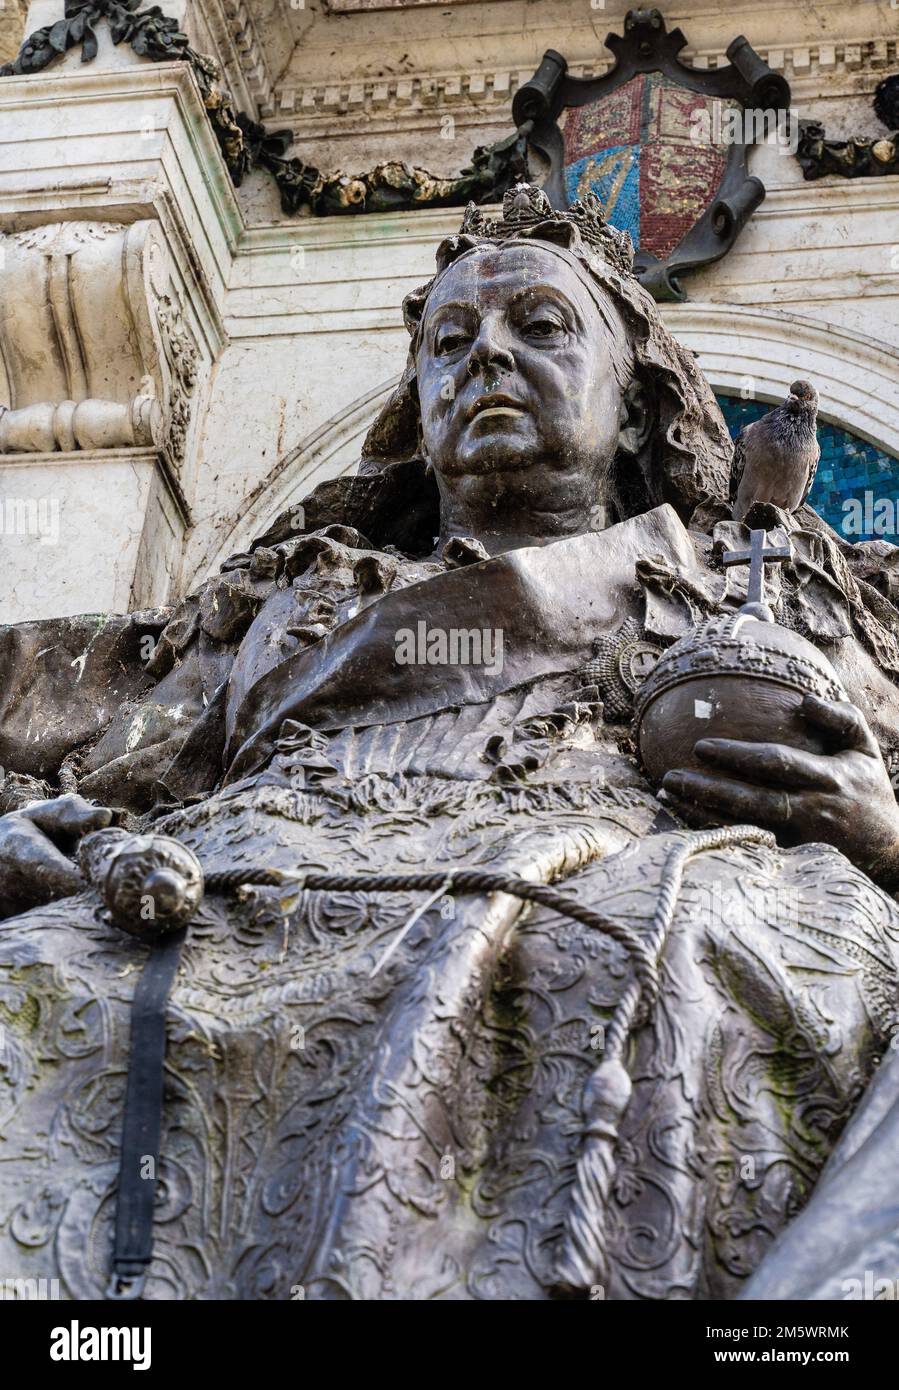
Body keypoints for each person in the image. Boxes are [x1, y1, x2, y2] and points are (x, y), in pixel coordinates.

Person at [2, 186, 899, 1301]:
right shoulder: (287, 599)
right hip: (251, 885)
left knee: (714, 950)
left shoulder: (757, 580)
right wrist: (32, 832)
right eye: (449, 341)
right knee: (33, 972)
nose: (485, 357)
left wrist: (882, 830)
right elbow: (64, 729)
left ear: (633, 402)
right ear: (418, 408)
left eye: (539, 325)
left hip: (635, 885)